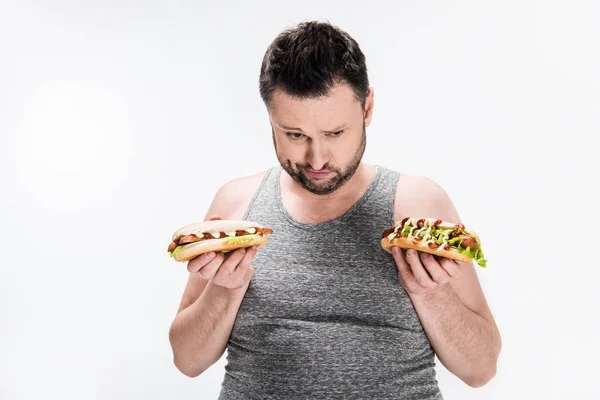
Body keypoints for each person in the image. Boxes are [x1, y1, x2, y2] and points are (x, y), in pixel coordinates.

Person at [168, 20, 502, 400]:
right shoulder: (236, 207)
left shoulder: (418, 205)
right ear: (270, 119)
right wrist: (225, 290)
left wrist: (429, 293)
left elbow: (481, 369)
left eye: (335, 133)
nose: (316, 158)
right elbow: (188, 360)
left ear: (367, 108)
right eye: (295, 135)